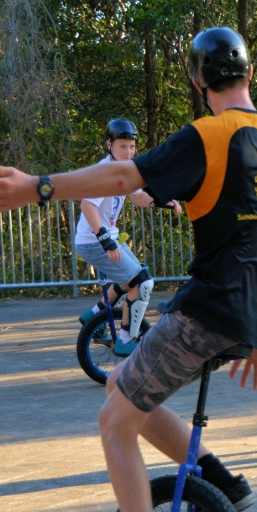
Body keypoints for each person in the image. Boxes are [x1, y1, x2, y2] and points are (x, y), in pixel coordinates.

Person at [0, 26, 257, 512]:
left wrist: (39, 186)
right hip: (246, 318)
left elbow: (122, 176)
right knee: (120, 385)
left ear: (197, 79)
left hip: (205, 308)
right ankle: (222, 480)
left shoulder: (209, 134)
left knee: (114, 422)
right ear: (250, 75)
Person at [75, 118, 182, 356]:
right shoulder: (104, 172)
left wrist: (162, 201)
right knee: (142, 282)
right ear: (109, 145)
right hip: (94, 241)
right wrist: (106, 240)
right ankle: (126, 339)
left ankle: (93, 315)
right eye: (122, 146)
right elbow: (87, 206)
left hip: (104, 237)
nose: (129, 151)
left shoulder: (126, 169)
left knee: (134, 274)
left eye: (132, 146)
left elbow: (138, 197)